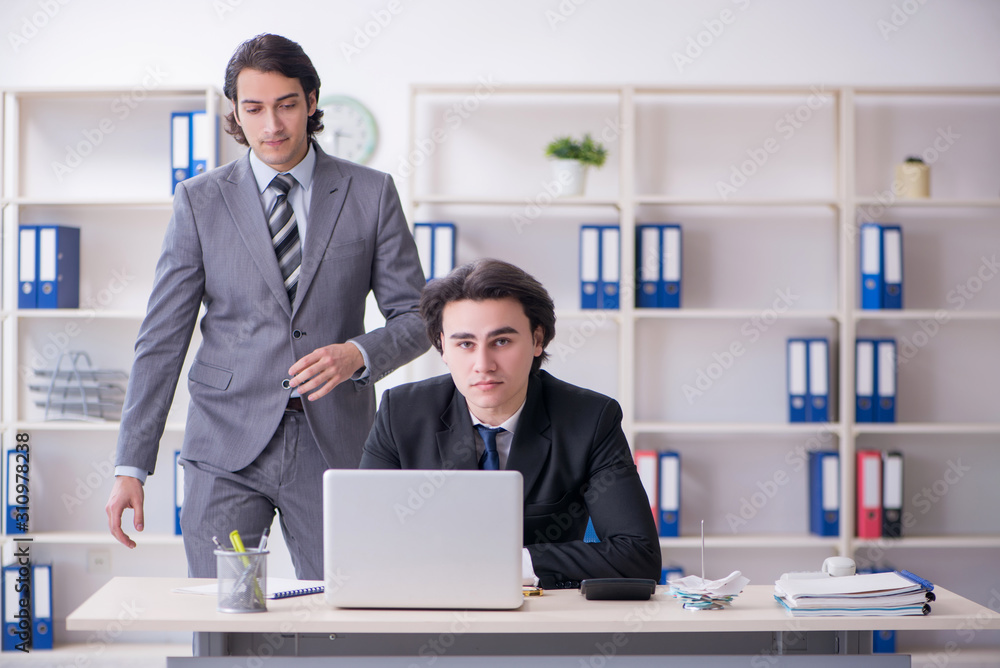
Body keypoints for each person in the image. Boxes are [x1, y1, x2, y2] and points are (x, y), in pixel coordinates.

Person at [105, 33, 429, 579]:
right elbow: (162, 339)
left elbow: (420, 317)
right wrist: (131, 465)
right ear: (234, 110)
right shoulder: (199, 200)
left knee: (344, 618)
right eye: (253, 108)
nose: (272, 126)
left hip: (334, 444)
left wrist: (357, 353)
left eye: (286, 105)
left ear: (311, 101)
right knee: (224, 624)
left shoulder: (370, 193)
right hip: (224, 447)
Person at [360, 259, 661, 588]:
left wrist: (508, 564)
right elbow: (362, 547)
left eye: (501, 341)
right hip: (430, 611)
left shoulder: (590, 419)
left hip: (541, 621)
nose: (483, 365)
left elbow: (638, 555)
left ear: (537, 340)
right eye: (465, 344)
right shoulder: (399, 413)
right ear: (442, 347)